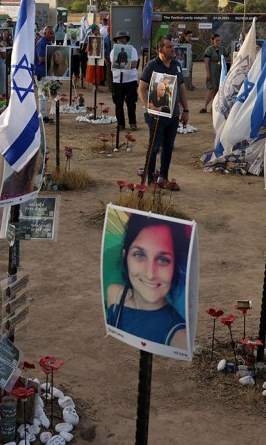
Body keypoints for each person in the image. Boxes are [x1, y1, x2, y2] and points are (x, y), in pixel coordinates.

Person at [105, 214, 190, 348]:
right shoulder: (114, 294)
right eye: (139, 255)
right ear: (125, 256)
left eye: (163, 259)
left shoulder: (180, 338)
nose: (150, 274)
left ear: (175, 266)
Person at [138, 37, 190, 189]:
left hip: (173, 116)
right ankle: (151, 179)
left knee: (168, 147)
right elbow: (141, 90)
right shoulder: (152, 66)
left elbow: (181, 88)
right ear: (160, 50)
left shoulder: (177, 65)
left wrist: (185, 110)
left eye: (172, 46)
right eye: (169, 47)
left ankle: (163, 177)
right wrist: (149, 107)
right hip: (156, 116)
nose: (173, 49)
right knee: (154, 148)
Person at [111, 32, 139, 130]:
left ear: (126, 40)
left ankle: (132, 122)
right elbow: (114, 63)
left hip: (130, 79)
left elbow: (134, 64)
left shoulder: (133, 50)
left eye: (123, 38)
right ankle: (121, 124)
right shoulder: (113, 51)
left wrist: (123, 65)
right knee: (118, 103)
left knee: (131, 102)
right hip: (118, 80)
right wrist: (124, 65)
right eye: (119, 39)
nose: (121, 40)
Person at [34, 26, 55, 124]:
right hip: (41, 73)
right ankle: (42, 117)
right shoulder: (41, 43)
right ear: (45, 33)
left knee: (44, 95)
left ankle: (43, 115)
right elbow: (41, 58)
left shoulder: (46, 42)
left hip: (45, 72)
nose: (52, 35)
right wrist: (54, 56)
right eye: (50, 33)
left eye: (53, 33)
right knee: (43, 95)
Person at [200, 34, 224, 113]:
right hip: (212, 70)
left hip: (219, 71)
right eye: (216, 40)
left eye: (219, 40)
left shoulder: (222, 49)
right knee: (211, 89)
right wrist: (208, 73)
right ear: (212, 41)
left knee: (217, 90)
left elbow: (227, 57)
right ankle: (205, 107)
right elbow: (206, 62)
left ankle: (213, 107)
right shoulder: (209, 49)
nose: (218, 42)